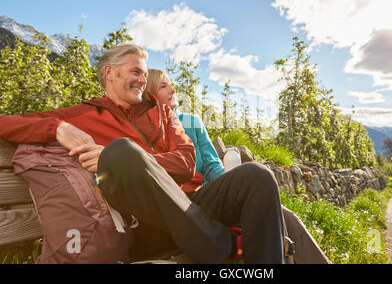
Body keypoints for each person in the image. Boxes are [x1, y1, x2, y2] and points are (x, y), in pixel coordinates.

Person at [0, 44, 287, 264]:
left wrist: (142, 162)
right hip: (140, 227)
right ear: (110, 73)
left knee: (257, 176)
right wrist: (58, 127)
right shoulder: (86, 113)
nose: (142, 80)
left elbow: (187, 162)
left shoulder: (164, 113)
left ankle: (237, 250)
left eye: (145, 74)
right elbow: (8, 122)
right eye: (135, 72)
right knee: (121, 153)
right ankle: (224, 245)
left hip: (190, 208)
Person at [146, 68, 331, 264]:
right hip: (182, 205)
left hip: (208, 197)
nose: (173, 90)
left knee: (284, 215)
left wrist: (235, 196)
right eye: (163, 86)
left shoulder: (192, 122)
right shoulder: (147, 128)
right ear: (149, 93)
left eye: (171, 85)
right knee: (272, 217)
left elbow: (211, 164)